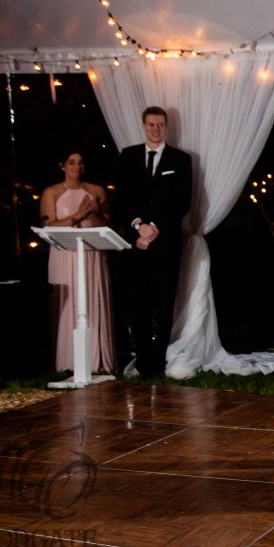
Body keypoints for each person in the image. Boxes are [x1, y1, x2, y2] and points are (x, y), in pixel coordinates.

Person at [113, 106, 192, 377]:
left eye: (160, 124)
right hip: (135, 242)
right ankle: (143, 359)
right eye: (151, 124)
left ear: (166, 126)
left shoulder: (181, 159)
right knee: (138, 300)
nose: (156, 129)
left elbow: (182, 202)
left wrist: (154, 229)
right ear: (143, 125)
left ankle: (158, 362)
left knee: (164, 300)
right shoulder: (128, 156)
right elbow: (121, 198)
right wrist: (139, 227)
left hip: (166, 243)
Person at [39, 148, 115, 373]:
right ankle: (68, 361)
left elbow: (107, 224)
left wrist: (92, 213)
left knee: (92, 299)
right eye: (71, 162)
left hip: (92, 253)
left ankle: (96, 360)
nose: (77, 166)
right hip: (65, 253)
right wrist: (77, 216)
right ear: (62, 165)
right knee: (69, 301)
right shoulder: (51, 192)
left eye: (80, 162)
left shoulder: (97, 191)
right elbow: (49, 225)